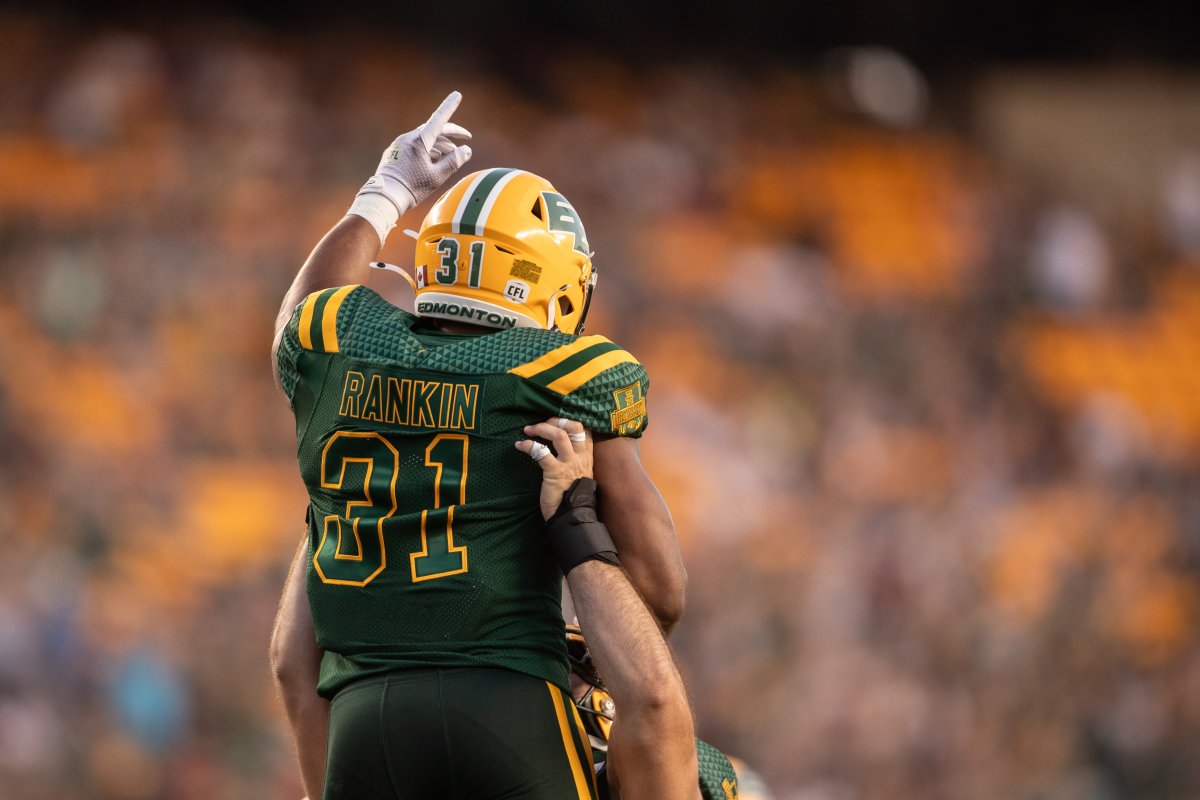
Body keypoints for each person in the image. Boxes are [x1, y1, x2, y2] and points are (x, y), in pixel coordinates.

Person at [269, 91, 686, 799]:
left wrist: (386, 191)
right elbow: (660, 593)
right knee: (690, 760)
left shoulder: (340, 347)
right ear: (557, 290)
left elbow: (300, 314)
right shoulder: (568, 376)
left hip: (363, 725)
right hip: (507, 708)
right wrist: (575, 530)